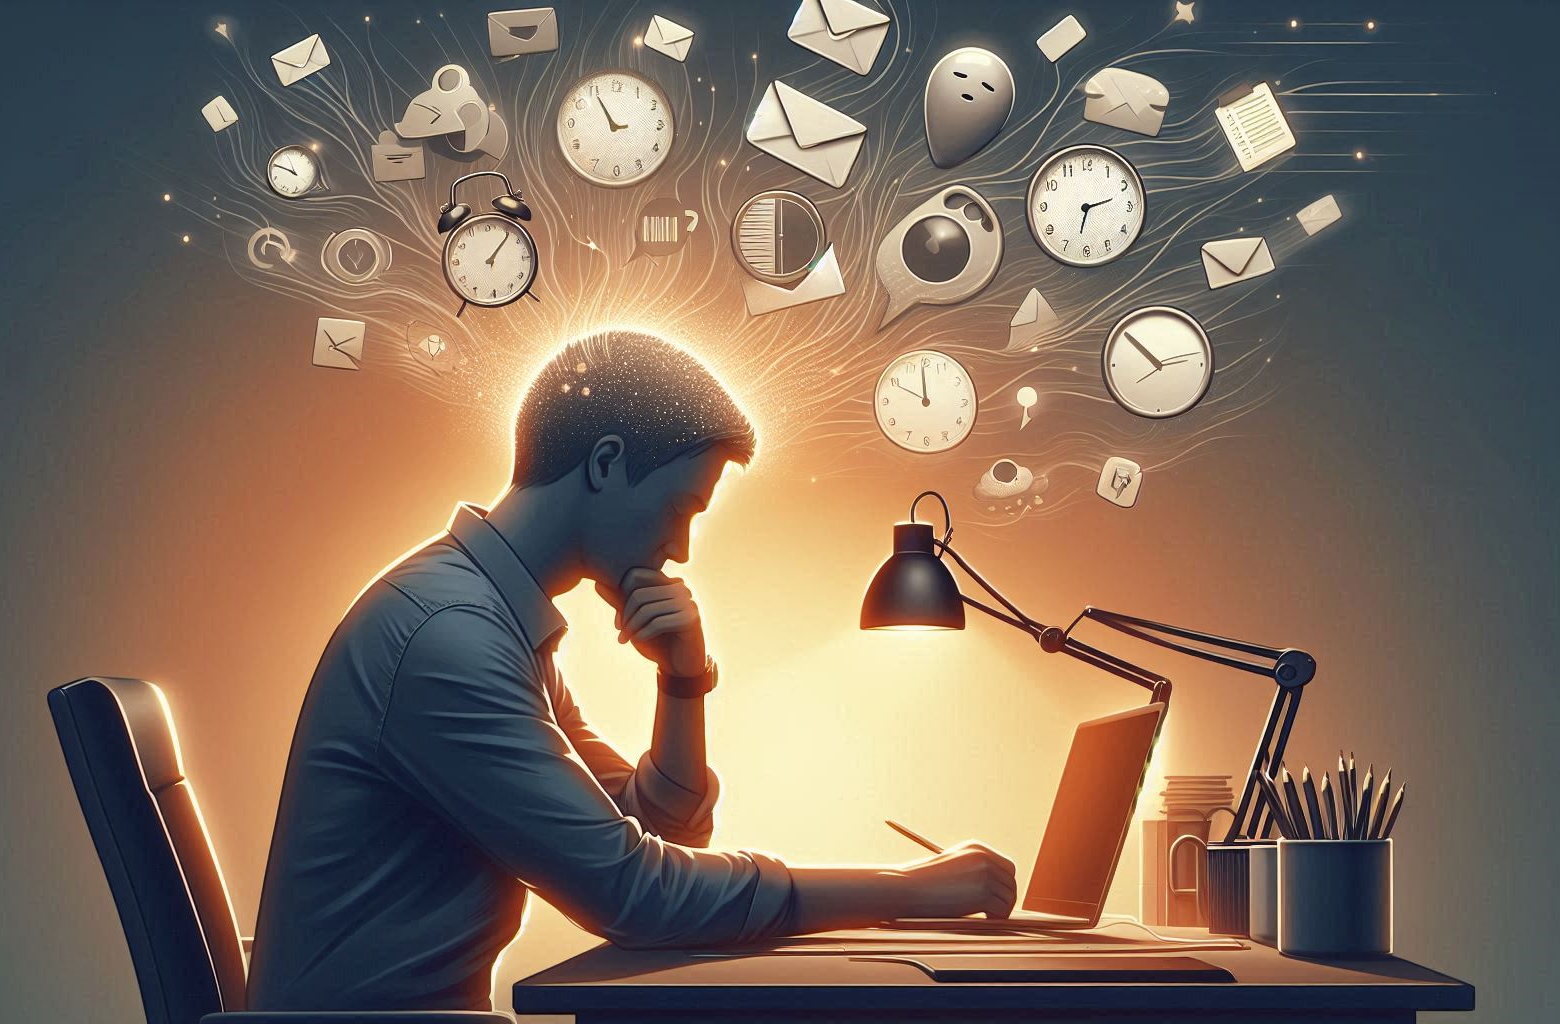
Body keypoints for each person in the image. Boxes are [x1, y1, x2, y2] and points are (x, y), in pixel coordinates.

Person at [246, 329, 1016, 1012]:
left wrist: (682, 681)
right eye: (681, 508)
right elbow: (634, 894)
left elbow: (656, 828)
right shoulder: (450, 639)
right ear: (607, 462)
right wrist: (907, 890)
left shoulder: (495, 623)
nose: (681, 548)